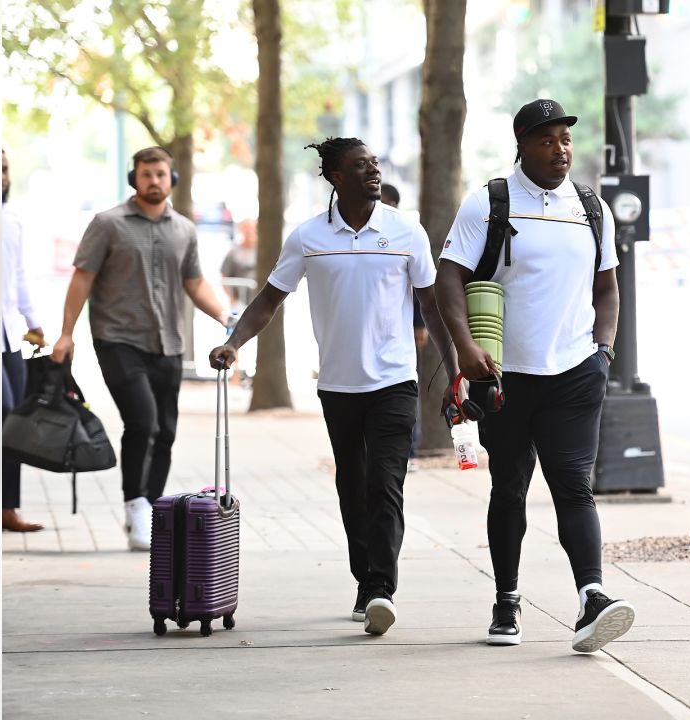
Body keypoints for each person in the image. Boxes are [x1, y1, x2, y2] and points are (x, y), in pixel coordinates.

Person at [209, 138, 455, 637]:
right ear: (336, 178)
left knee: (385, 483)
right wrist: (234, 342)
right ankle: (364, 579)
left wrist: (456, 371)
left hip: (394, 380)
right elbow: (268, 300)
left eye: (375, 165)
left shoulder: (406, 230)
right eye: (360, 166)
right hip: (339, 386)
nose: (373, 172)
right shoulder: (309, 236)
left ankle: (382, 588)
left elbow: (431, 305)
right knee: (353, 486)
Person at [435, 98, 636, 653]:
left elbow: (607, 288)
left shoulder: (592, 208)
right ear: (522, 143)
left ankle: (592, 598)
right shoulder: (490, 203)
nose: (560, 149)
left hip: (574, 372)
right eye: (547, 139)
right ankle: (507, 598)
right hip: (505, 375)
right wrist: (466, 348)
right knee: (510, 488)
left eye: (566, 139)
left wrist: (603, 351)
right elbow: (447, 280)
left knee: (575, 486)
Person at [51, 146, 231, 551]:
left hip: (167, 342)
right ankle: (135, 506)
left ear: (172, 180)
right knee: (144, 421)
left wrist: (223, 314)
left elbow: (194, 281)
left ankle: (150, 506)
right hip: (118, 339)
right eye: (146, 174)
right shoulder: (108, 224)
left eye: (161, 174)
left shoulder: (184, 229)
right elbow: (82, 278)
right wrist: (67, 332)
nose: (154, 181)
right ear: (135, 179)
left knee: (165, 431)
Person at [1, 150, 45, 533]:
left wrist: (34, 323)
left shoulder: (11, 219)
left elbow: (17, 277)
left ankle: (7, 508)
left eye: (2, 170)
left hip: (6, 336)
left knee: (12, 421)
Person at [380, 183, 428, 470]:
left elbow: (421, 287)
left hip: (404, 330)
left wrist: (419, 323)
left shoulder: (405, 232)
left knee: (408, 389)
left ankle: (410, 448)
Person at [220, 218, 258, 309]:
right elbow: (224, 276)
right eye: (246, 227)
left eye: (251, 227)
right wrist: (233, 299)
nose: (249, 231)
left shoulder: (262, 251)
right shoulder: (233, 252)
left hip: (259, 299)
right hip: (240, 301)